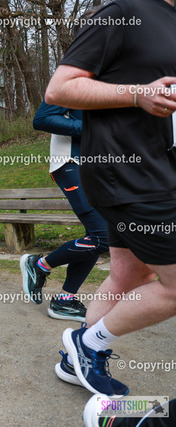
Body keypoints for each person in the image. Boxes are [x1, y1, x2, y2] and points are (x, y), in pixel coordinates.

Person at [45, 0, 176, 397]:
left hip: (160, 169)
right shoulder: (124, 11)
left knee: (129, 273)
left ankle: (76, 361)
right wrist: (138, 95)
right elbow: (59, 89)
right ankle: (88, 344)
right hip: (130, 173)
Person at [19, 100, 109, 322]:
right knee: (104, 237)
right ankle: (39, 266)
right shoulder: (74, 82)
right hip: (70, 163)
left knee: (96, 236)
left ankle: (64, 300)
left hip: (97, 168)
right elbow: (42, 119)